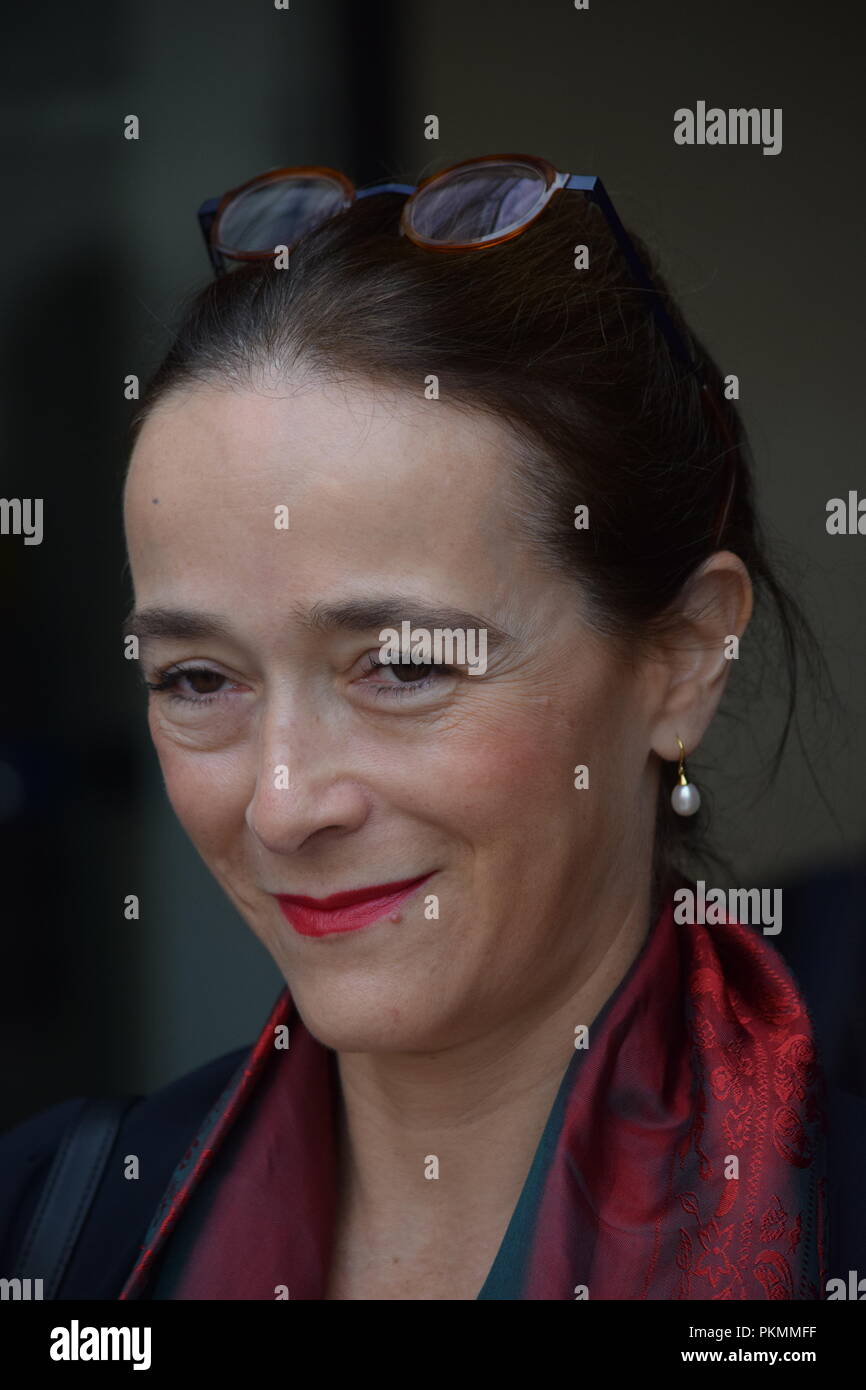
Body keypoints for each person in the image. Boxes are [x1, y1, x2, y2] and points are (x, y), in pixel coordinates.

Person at [0, 156, 833, 1299]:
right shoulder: (59, 1228)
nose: (282, 802)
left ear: (682, 660)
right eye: (198, 679)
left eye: (399, 666)